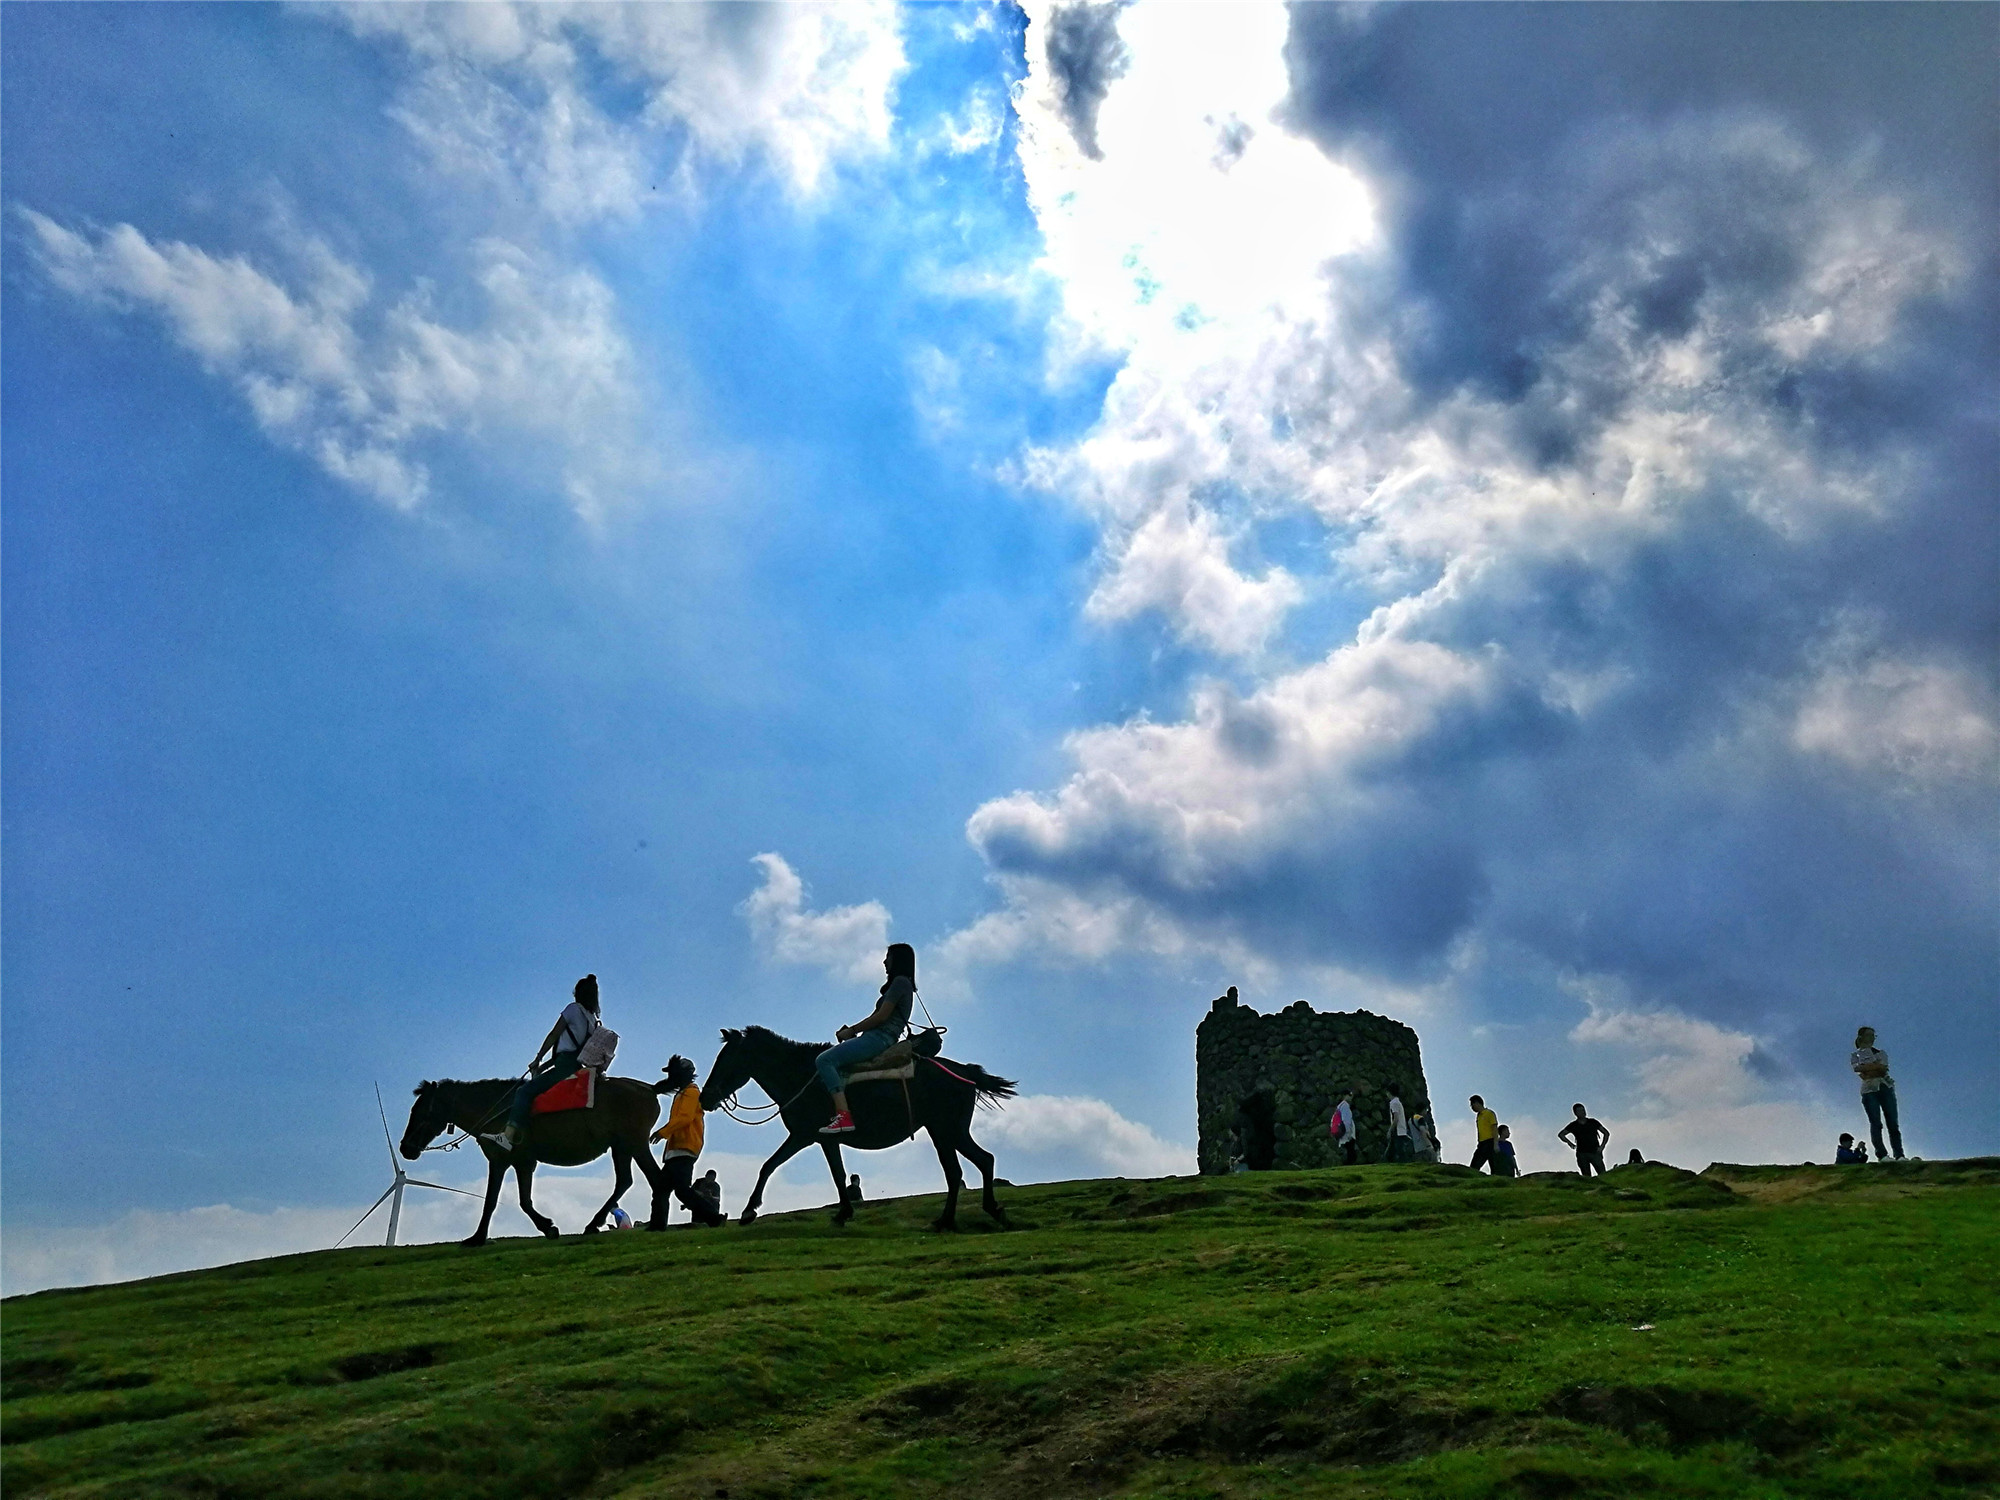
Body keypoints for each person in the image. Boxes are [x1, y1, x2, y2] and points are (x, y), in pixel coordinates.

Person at [485, 974, 601, 1150]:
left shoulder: (573, 1009)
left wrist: (538, 1057)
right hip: (576, 1067)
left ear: (577, 993)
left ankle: (508, 1137)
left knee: (524, 1091)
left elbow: (554, 1035)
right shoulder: (593, 1020)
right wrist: (543, 1066)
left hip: (564, 1066)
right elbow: (572, 1051)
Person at [817, 943, 918, 1134]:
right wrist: (853, 1031)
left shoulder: (900, 983)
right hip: (877, 1037)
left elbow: (881, 1017)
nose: (884, 961)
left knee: (825, 1059)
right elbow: (876, 1016)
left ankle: (843, 1116)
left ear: (898, 960)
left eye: (888, 957)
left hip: (879, 1038)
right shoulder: (900, 984)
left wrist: (852, 1031)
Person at [651, 1055, 728, 1226]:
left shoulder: (691, 1093)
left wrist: (663, 1132)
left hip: (685, 1148)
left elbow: (685, 1118)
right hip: (677, 1149)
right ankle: (657, 1226)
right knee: (662, 1189)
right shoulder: (683, 1093)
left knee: (681, 1191)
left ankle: (715, 1218)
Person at [1850, 1027, 1905, 1161]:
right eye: (1869, 1035)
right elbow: (1860, 1072)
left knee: (1893, 1123)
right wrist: (1875, 1067)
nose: (1872, 1037)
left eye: (1874, 1035)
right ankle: (1882, 1154)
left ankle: (1899, 1154)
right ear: (1861, 1037)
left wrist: (1869, 1068)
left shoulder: (1881, 1053)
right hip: (1869, 1090)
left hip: (1885, 1087)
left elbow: (1882, 1069)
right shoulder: (1855, 1055)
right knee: (1876, 1123)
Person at [1557, 1103, 1611, 1178]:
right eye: (1579, 1111)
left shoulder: (1593, 1122)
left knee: (1603, 1175)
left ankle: (1606, 1188)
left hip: (1595, 1152)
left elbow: (1606, 1133)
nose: (1582, 1112)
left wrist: (1602, 1147)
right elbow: (1561, 1134)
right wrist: (1569, 1143)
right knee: (1586, 1177)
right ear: (1575, 1113)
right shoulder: (1573, 1125)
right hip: (1582, 1153)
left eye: (1583, 1110)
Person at [1382, 1084, 1415, 1162]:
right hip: (1401, 1129)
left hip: (1397, 1130)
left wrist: (1390, 1130)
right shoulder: (1398, 1102)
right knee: (1394, 1150)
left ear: (1389, 1092)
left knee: (1398, 1151)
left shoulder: (1394, 1103)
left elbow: (1396, 1118)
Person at [1469, 1095, 1499, 1174]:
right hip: (1481, 1143)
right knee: (1475, 1165)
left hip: (1490, 1141)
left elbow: (1494, 1128)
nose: (1472, 1107)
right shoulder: (1478, 1116)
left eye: (1472, 1104)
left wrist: (1496, 1143)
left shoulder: (1489, 1113)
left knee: (1492, 1165)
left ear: (1478, 1103)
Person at [1329, 1091, 1359, 1166]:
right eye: (1349, 1095)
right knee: (1351, 1154)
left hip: (1342, 1132)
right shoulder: (1345, 1106)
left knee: (1349, 1152)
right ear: (1344, 1096)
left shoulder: (1339, 1107)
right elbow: (1346, 1120)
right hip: (1346, 1133)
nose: (1351, 1097)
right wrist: (1349, 1133)